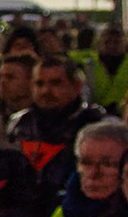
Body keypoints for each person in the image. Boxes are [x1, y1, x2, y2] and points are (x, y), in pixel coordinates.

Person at [7, 57, 105, 204]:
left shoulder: (96, 125)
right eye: (39, 84)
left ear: (77, 86)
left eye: (56, 83)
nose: (46, 91)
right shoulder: (18, 124)